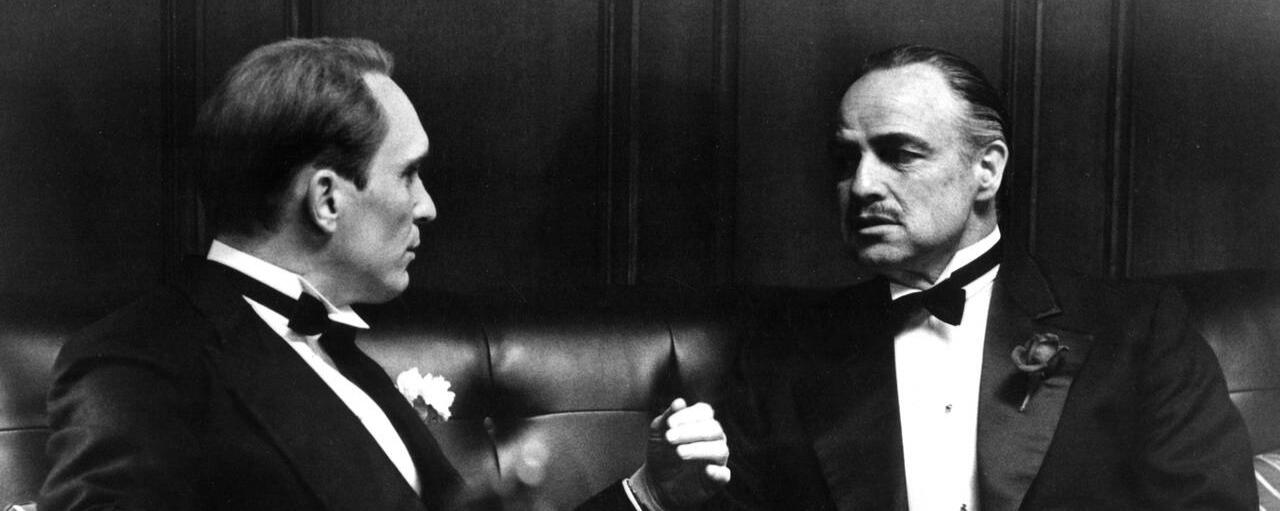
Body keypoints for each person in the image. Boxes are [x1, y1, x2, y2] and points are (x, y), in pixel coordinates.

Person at [39, 37, 727, 511]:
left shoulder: (342, 358)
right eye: (409, 174)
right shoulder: (136, 362)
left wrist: (646, 493)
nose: (428, 207)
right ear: (327, 198)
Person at [703, 44, 1256, 510]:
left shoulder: (1141, 329)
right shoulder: (784, 349)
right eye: (848, 161)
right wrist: (662, 492)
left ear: (987, 170)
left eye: (899, 154)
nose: (863, 185)